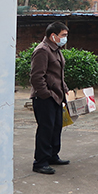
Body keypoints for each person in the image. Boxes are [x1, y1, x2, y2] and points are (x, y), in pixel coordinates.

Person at [29, 22, 70, 175]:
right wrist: (46, 94)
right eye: (63, 35)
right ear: (53, 36)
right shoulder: (42, 50)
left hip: (57, 96)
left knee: (56, 127)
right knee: (46, 129)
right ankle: (40, 162)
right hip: (45, 98)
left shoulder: (56, 50)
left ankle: (52, 155)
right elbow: (36, 77)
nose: (65, 38)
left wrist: (65, 90)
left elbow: (57, 75)